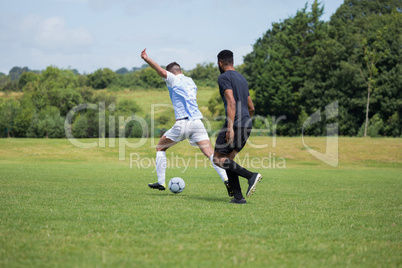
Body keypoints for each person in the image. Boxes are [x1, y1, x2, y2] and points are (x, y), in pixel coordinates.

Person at [140, 48, 232, 195]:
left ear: (171, 72)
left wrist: (146, 59)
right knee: (211, 154)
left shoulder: (173, 79)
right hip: (197, 123)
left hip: (183, 123)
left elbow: (161, 72)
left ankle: (161, 181)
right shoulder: (190, 81)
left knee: (160, 148)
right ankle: (227, 180)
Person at [213, 49, 262, 204]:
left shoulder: (223, 77)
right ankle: (238, 197)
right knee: (229, 160)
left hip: (235, 123)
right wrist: (246, 123)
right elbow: (252, 107)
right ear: (232, 61)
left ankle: (250, 176)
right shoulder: (242, 78)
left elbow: (231, 102)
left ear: (220, 63)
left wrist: (230, 127)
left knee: (217, 158)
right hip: (247, 122)